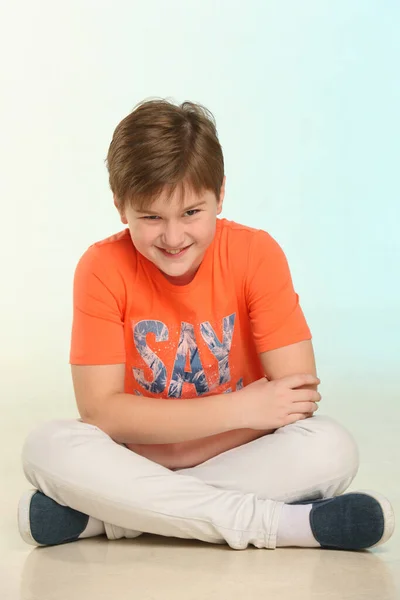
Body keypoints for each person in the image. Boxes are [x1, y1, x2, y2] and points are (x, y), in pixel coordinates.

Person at [18, 99, 394, 550]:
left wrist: (160, 438)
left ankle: (111, 518)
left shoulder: (256, 254)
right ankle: (277, 524)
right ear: (120, 206)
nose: (173, 238)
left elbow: (297, 397)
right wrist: (241, 410)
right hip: (135, 459)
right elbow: (101, 414)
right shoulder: (100, 267)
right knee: (48, 445)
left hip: (225, 461)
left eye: (192, 213)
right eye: (151, 217)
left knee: (330, 445)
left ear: (220, 194)